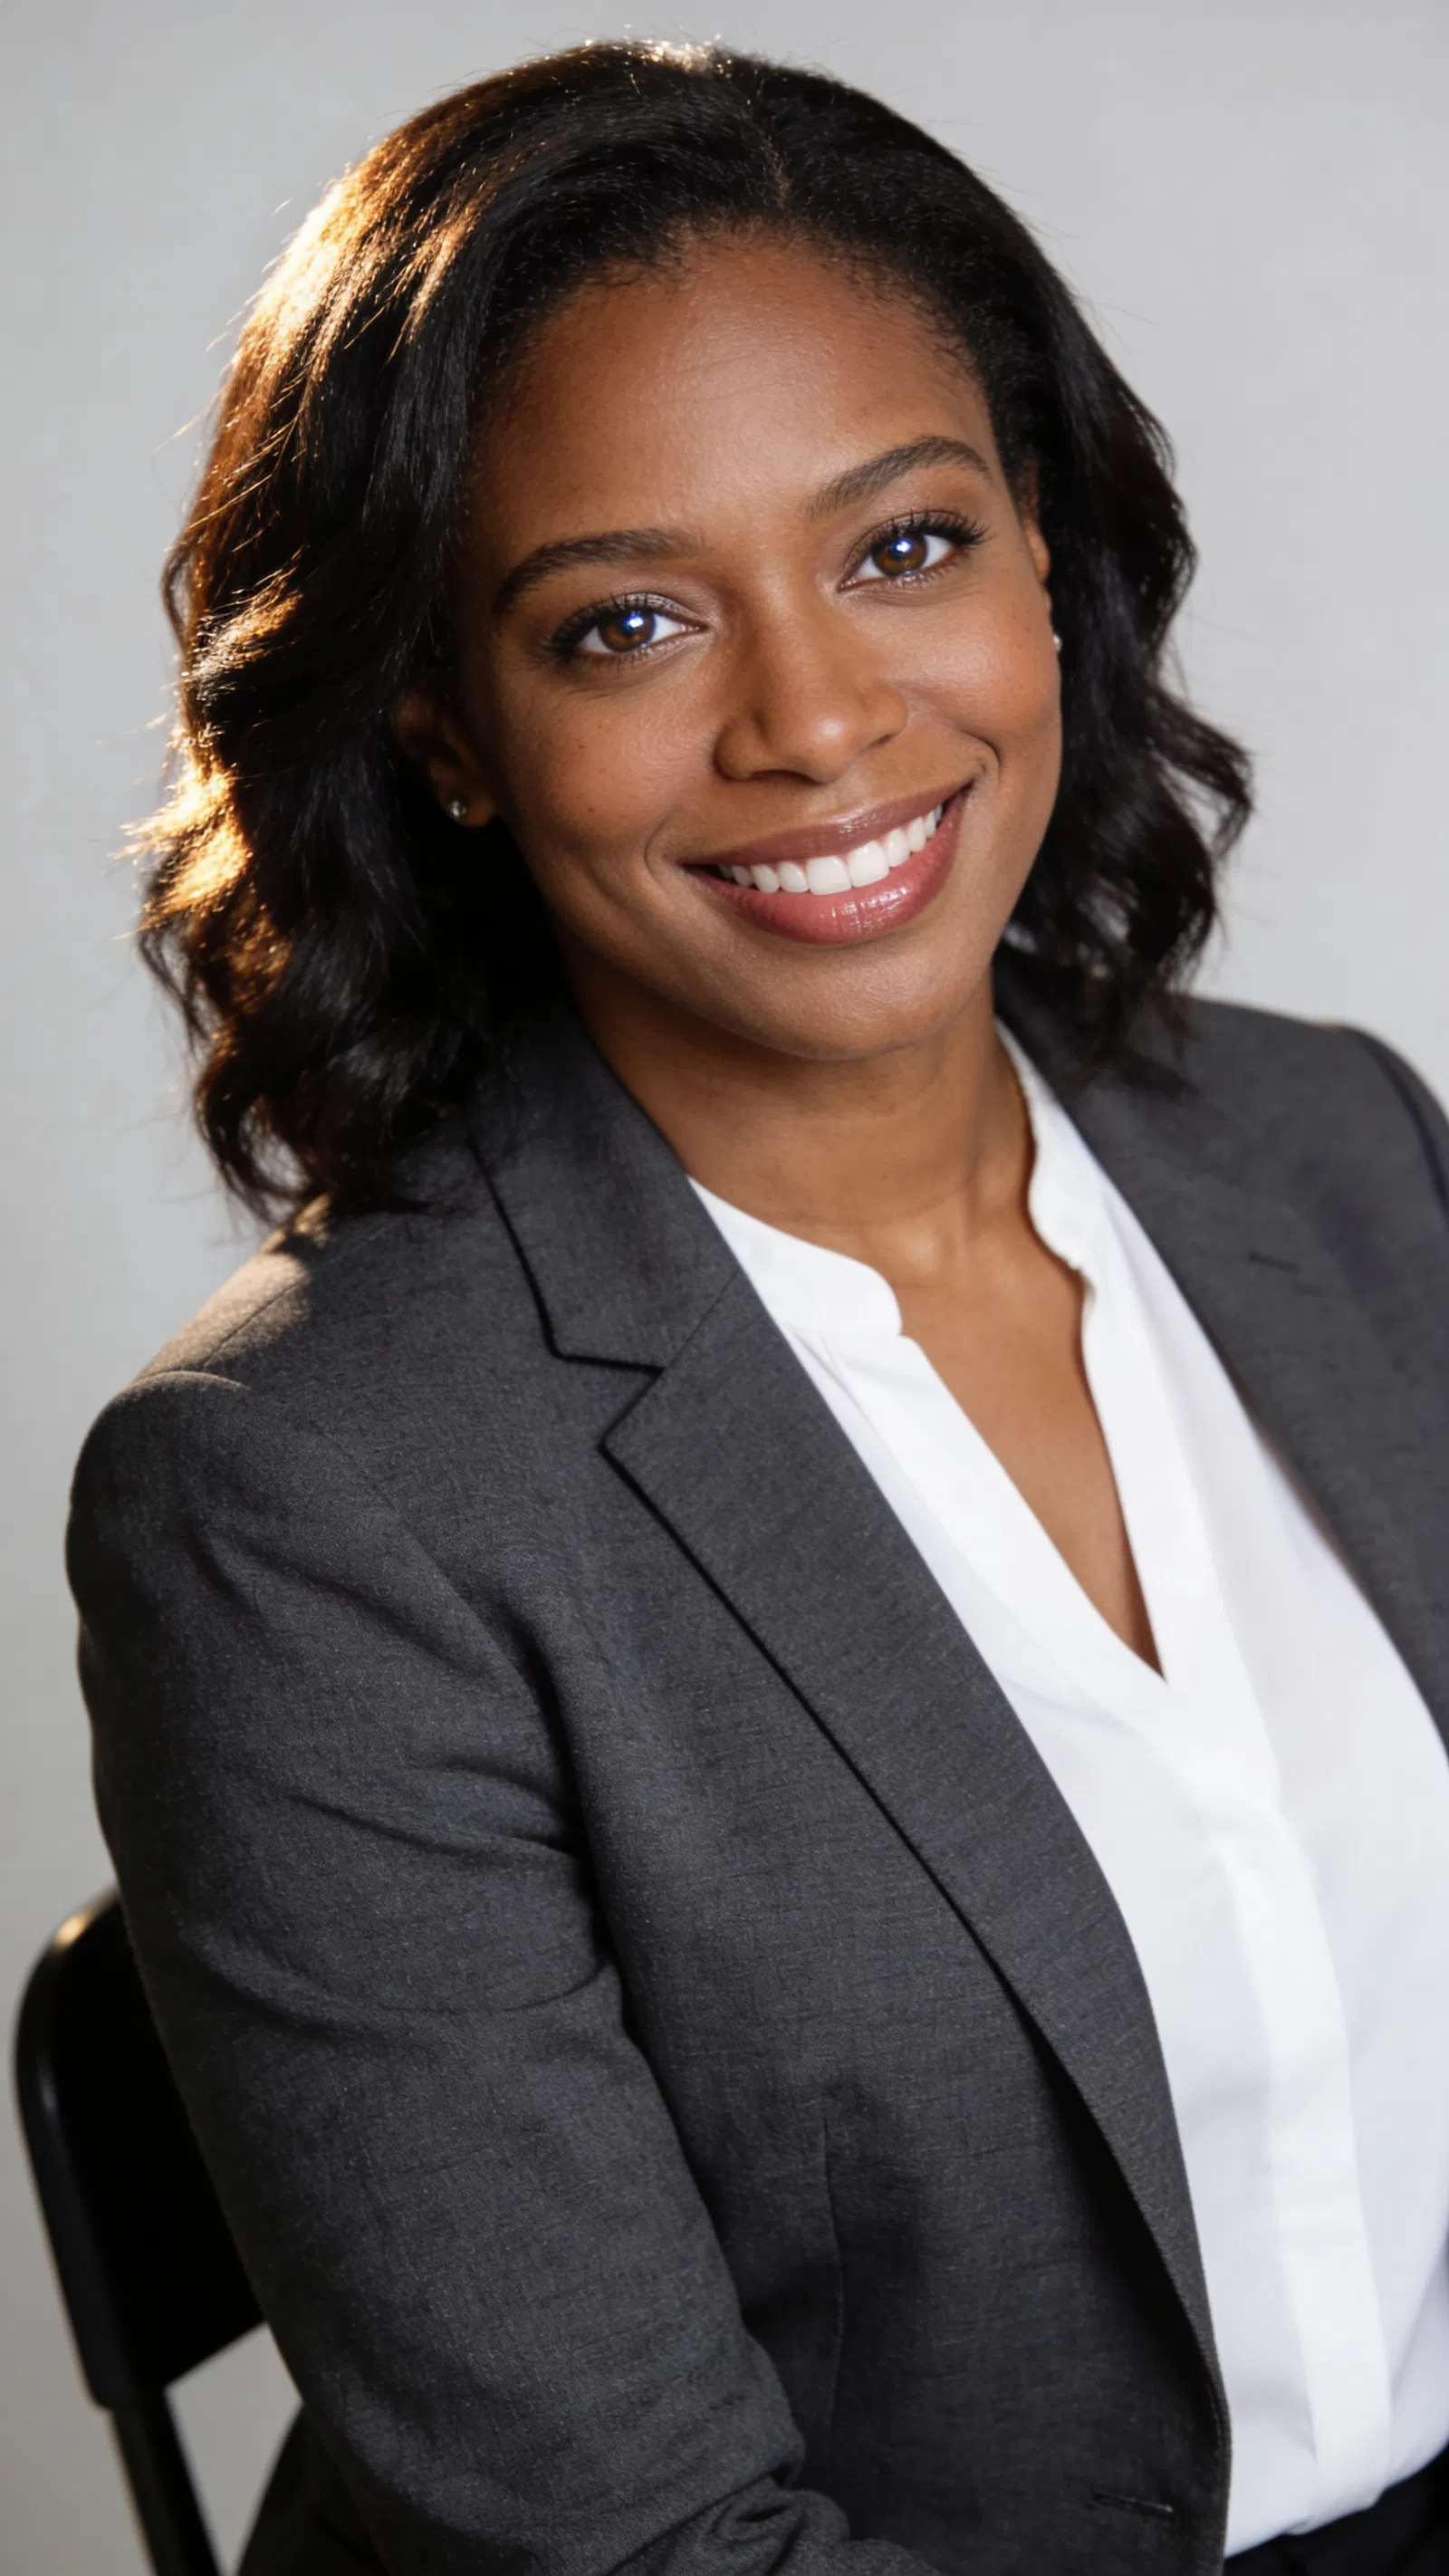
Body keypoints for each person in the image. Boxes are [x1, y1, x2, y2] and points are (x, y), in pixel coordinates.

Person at [67, 40, 1449, 2576]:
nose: (818, 722)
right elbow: (643, 2549)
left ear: (1051, 550)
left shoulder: (1339, 1154)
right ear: (444, 727)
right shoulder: (306, 1506)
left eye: (906, 547)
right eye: (623, 622)